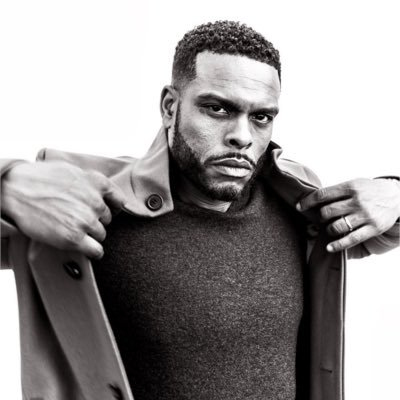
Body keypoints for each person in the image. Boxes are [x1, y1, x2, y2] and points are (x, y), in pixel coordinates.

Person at [0, 20, 399, 400]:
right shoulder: (93, 205)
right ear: (170, 107)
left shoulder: (299, 206)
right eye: (218, 109)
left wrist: (394, 193)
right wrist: (9, 186)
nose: (242, 136)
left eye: (261, 117)